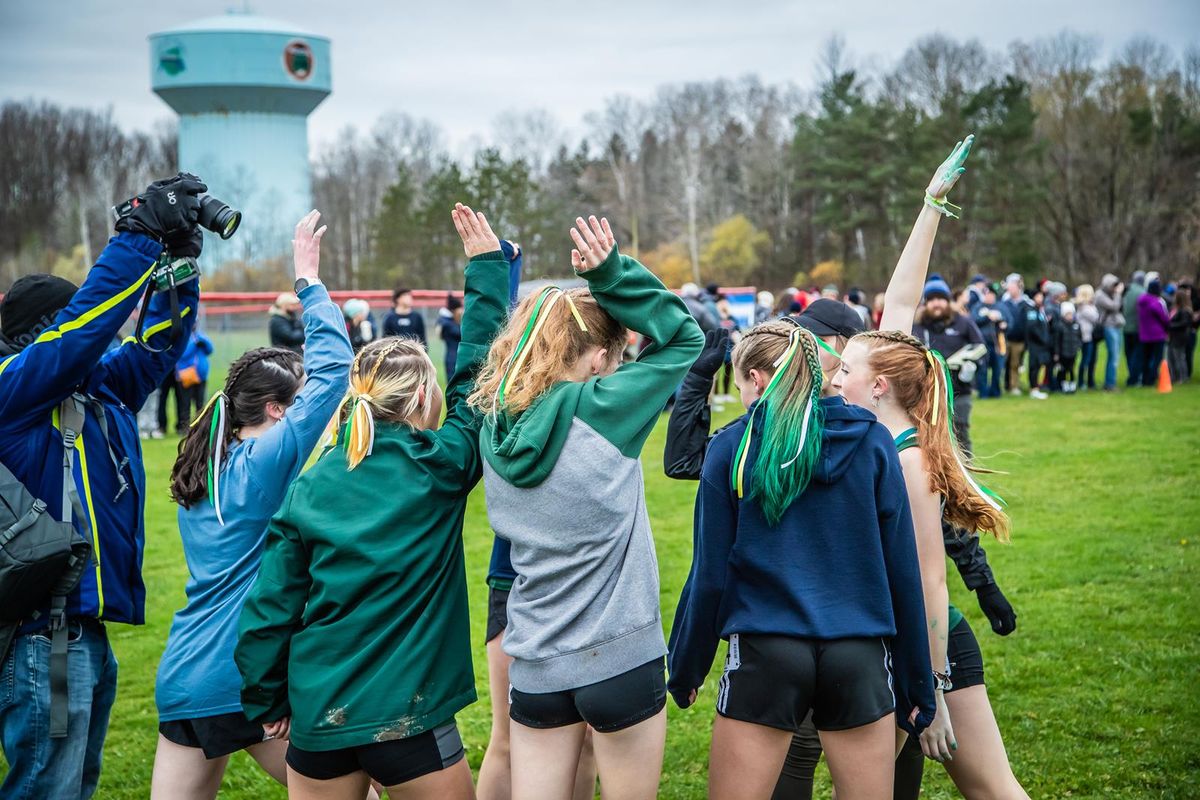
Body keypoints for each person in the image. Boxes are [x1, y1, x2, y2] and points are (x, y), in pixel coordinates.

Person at [235, 203, 509, 800]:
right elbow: (476, 382)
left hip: (317, 719)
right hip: (407, 718)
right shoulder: (437, 465)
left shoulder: (311, 482)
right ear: (418, 403)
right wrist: (487, 270)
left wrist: (266, 697)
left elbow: (269, 607)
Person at [468, 215, 702, 800]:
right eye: (617, 354)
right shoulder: (602, 407)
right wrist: (609, 274)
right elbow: (686, 338)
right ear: (597, 359)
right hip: (620, 655)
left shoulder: (493, 421)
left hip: (536, 662)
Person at [0, 173, 205, 799]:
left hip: (81, 628)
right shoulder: (15, 387)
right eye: (66, 323)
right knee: (49, 791)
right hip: (39, 635)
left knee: (75, 786)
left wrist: (177, 272)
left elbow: (153, 349)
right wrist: (137, 234)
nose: (99, 335)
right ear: (41, 331)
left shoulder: (95, 390)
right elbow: (86, 327)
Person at [669, 320, 936, 800]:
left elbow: (709, 575)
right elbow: (904, 573)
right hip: (859, 653)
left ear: (754, 379)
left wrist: (687, 667)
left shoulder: (732, 446)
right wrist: (918, 681)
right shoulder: (874, 442)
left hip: (765, 651)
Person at [149, 212, 351, 799]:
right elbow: (336, 370)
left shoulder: (202, 469)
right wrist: (308, 279)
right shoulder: (263, 465)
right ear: (278, 411)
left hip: (184, 678)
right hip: (241, 678)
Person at [832, 330, 1029, 800]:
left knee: (992, 789)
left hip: (930, 652)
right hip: (897, 647)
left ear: (878, 385)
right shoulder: (883, 444)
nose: (836, 381)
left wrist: (934, 690)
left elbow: (930, 581)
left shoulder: (909, 461)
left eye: (844, 370)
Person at [912, 275, 984, 453]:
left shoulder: (963, 322)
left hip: (959, 390)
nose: (936, 304)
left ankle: (964, 477)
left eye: (941, 299)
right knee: (928, 437)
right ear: (925, 303)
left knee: (960, 436)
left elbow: (979, 347)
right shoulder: (918, 326)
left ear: (948, 301)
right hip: (926, 393)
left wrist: (972, 366)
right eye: (932, 299)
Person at [172, 329, 215, 431]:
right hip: (186, 376)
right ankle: (185, 427)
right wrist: (194, 344)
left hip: (200, 376)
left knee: (200, 404)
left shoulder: (200, 335)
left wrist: (203, 342)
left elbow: (210, 350)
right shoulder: (182, 337)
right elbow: (182, 354)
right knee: (185, 404)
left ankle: (200, 427)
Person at [972, 285, 1008, 399]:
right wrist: (987, 317)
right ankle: (983, 393)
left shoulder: (1000, 307)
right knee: (982, 370)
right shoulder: (978, 307)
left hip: (997, 343)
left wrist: (1004, 324)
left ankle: (996, 392)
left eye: (991, 294)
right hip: (983, 344)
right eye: (987, 294)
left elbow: (1009, 321)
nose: (989, 297)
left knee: (998, 369)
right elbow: (973, 321)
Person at [1000, 274, 1033, 395]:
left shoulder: (1026, 303)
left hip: (1019, 339)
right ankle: (1004, 386)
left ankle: (1014, 386)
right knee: (1003, 363)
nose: (1010, 289)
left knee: (1015, 364)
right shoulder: (1004, 302)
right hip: (1006, 338)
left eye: (1012, 287)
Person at [1137, 279, 1170, 387]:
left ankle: (1144, 379)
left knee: (1145, 358)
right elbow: (1164, 318)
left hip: (1144, 335)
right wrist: (1168, 327)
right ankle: (1151, 379)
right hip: (1157, 335)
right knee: (1156, 358)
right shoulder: (1156, 302)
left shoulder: (1141, 301)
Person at [1094, 275, 1124, 391]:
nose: (1115, 288)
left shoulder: (1111, 294)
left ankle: (1111, 381)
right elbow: (1115, 306)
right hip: (1109, 327)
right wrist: (1118, 294)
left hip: (1117, 327)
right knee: (1114, 356)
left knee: (1116, 355)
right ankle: (1110, 384)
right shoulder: (1100, 295)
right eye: (1113, 285)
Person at [1024, 290, 1052, 400]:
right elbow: (1032, 328)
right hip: (1035, 344)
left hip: (1042, 345)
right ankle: (1034, 389)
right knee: (1034, 366)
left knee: (1040, 366)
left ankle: (1037, 387)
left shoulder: (1040, 311)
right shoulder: (1031, 310)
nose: (1041, 298)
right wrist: (1043, 339)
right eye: (1039, 296)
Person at [1122, 270, 1146, 386]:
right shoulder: (1143, 292)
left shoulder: (1126, 290)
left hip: (1125, 328)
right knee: (1137, 354)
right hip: (1138, 329)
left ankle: (1132, 376)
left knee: (1129, 353)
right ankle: (1134, 377)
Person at [1074, 285, 1100, 390]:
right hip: (1086, 337)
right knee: (1086, 360)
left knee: (1092, 360)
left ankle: (1090, 381)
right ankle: (1081, 382)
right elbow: (1096, 318)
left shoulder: (1087, 306)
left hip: (1091, 337)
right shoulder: (1084, 307)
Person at [1053, 302, 1083, 393]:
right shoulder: (1060, 326)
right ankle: (1063, 386)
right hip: (1063, 353)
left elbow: (1079, 337)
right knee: (1063, 370)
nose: (1070, 316)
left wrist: (1078, 346)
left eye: (1071, 314)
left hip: (1073, 352)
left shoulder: (1076, 325)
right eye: (1067, 314)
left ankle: (1072, 385)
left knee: (1071, 369)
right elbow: (1057, 341)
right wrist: (1057, 353)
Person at [1167, 285, 1193, 383]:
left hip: (1179, 337)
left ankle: (1183, 378)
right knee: (1171, 358)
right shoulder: (1174, 309)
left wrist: (1170, 325)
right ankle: (1173, 377)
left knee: (1179, 358)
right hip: (1172, 337)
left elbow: (1184, 324)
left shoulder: (1185, 311)